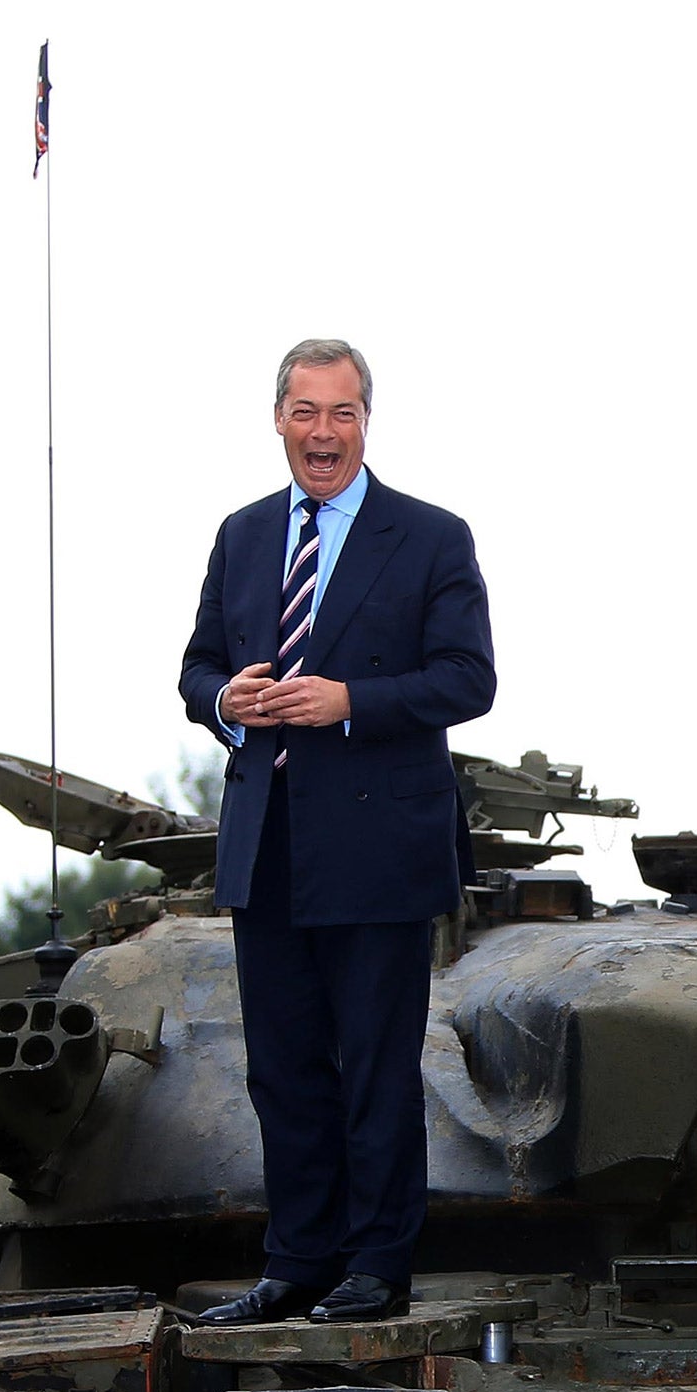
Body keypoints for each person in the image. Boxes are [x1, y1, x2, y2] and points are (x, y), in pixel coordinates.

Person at [180, 339, 494, 1324]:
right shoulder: (240, 537)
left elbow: (465, 679)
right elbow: (194, 669)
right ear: (278, 418)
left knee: (372, 1063)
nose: (324, 433)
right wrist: (225, 700)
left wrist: (348, 701)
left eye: (343, 413)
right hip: (265, 841)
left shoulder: (430, 538)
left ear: (367, 421)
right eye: (306, 412)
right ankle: (297, 1263)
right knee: (281, 1070)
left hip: (379, 848)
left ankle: (375, 1266)